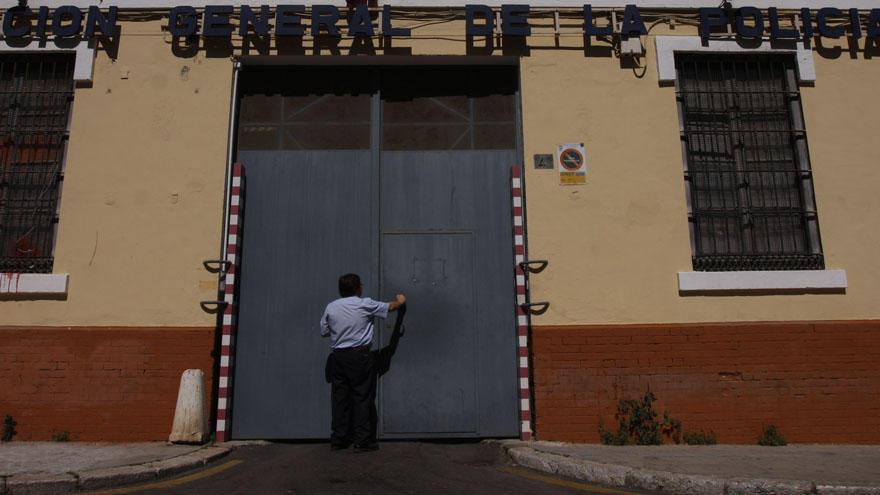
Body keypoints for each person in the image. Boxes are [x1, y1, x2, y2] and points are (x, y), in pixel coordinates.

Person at [320, 273, 406, 452]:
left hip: (338, 357)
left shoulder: (331, 307)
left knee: (339, 399)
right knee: (362, 397)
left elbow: (324, 331)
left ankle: (338, 439)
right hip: (359, 357)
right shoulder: (364, 303)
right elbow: (390, 307)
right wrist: (400, 300)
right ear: (358, 288)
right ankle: (362, 441)